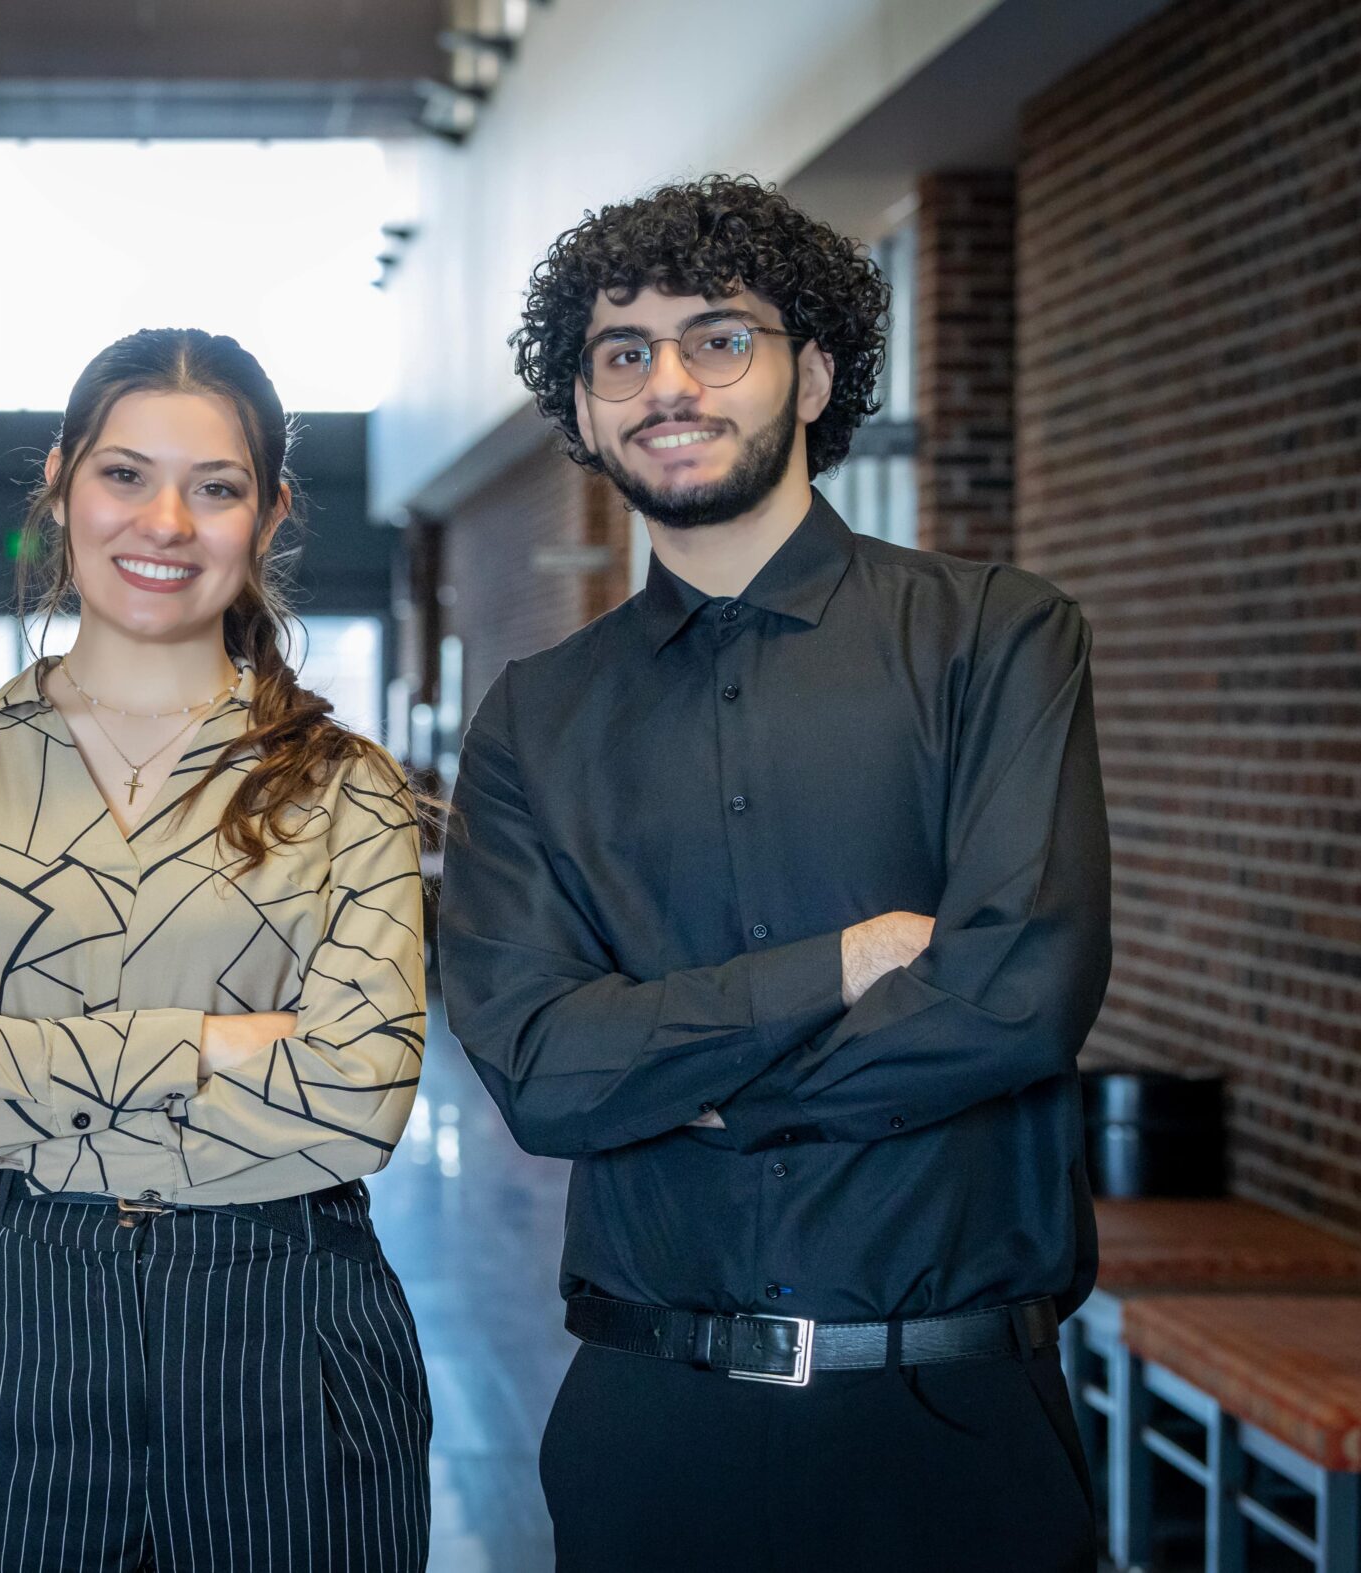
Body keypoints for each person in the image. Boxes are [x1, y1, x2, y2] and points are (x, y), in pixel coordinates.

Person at [438, 175, 1111, 1573]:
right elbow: (542, 1073)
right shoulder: (534, 716)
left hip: (954, 1433)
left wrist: (681, 1085)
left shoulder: (996, 638)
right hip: (650, 1432)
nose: (667, 382)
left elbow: (1015, 996)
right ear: (581, 409)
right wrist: (835, 968)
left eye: (717, 338)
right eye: (622, 354)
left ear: (811, 373)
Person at [0, 328, 433, 1572]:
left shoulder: (346, 790)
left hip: (287, 1319)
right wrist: (210, 1041)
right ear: (59, 481)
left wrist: (0, 1054)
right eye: (124, 474)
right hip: (25, 1316)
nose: (164, 520)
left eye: (213, 487)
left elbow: (356, 1105)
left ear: (266, 515)